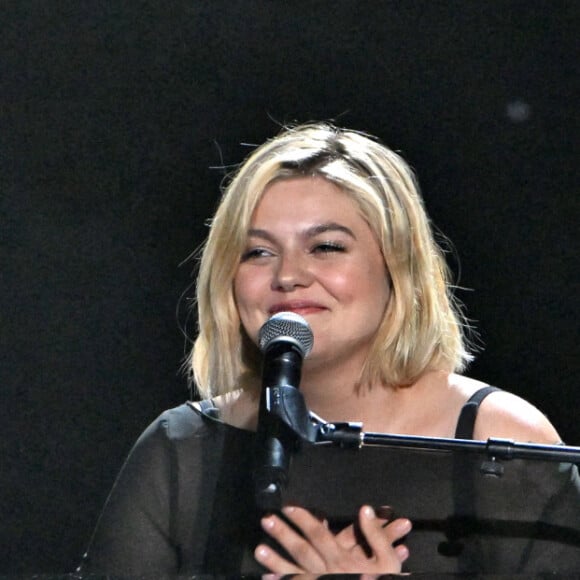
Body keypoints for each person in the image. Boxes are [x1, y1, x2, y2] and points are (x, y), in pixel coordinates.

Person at [79, 123, 571, 576]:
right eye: (258, 252)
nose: (288, 275)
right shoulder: (182, 450)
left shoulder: (502, 443)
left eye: (327, 247)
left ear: (398, 266)